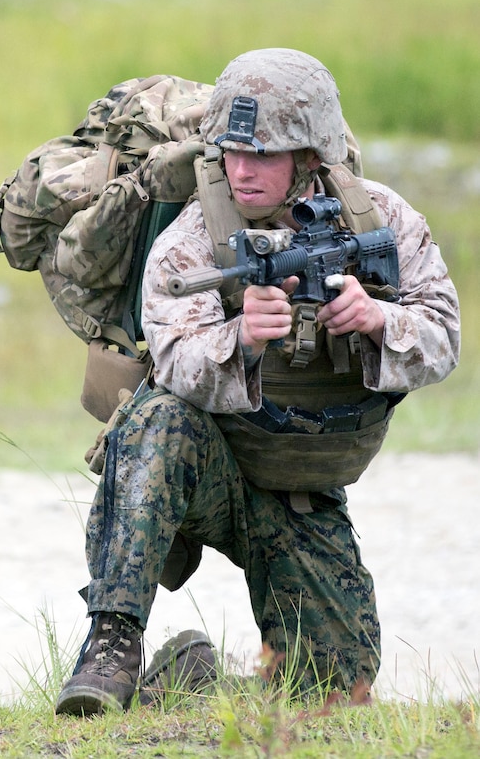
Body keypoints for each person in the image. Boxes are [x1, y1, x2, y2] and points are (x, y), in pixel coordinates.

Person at [54, 48, 460, 716]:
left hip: (302, 494)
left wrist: (376, 318)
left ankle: (187, 678)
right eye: (231, 151)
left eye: (263, 155)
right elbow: (176, 357)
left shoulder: (382, 218)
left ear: (310, 155)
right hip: (213, 471)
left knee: (334, 693)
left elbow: (444, 340)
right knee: (154, 417)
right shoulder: (194, 239)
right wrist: (239, 337)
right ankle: (112, 640)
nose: (241, 169)